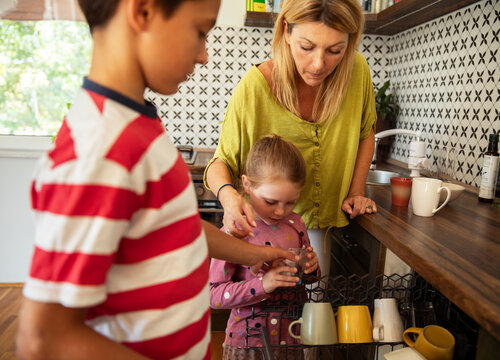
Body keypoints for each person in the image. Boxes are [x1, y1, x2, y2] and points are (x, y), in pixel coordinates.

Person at [15, 1, 297, 359]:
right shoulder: (99, 151)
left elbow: (177, 226)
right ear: (143, 11)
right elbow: (42, 339)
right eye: (199, 32)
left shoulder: (136, 125)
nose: (204, 56)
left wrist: (259, 253)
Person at [204, 0, 378, 278]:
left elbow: (365, 133)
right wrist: (228, 198)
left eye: (335, 50)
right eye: (306, 47)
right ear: (286, 32)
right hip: (269, 231)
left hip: (329, 227)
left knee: (313, 309)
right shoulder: (255, 86)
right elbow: (220, 162)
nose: (319, 64)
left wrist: (357, 191)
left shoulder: (357, 71)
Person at [209, 135, 320, 359]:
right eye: (270, 202)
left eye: (290, 202)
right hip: (247, 343)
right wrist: (263, 284)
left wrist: (311, 269)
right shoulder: (235, 230)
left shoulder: (296, 223)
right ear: (247, 184)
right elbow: (214, 296)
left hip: (291, 338)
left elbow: (306, 279)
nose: (281, 211)